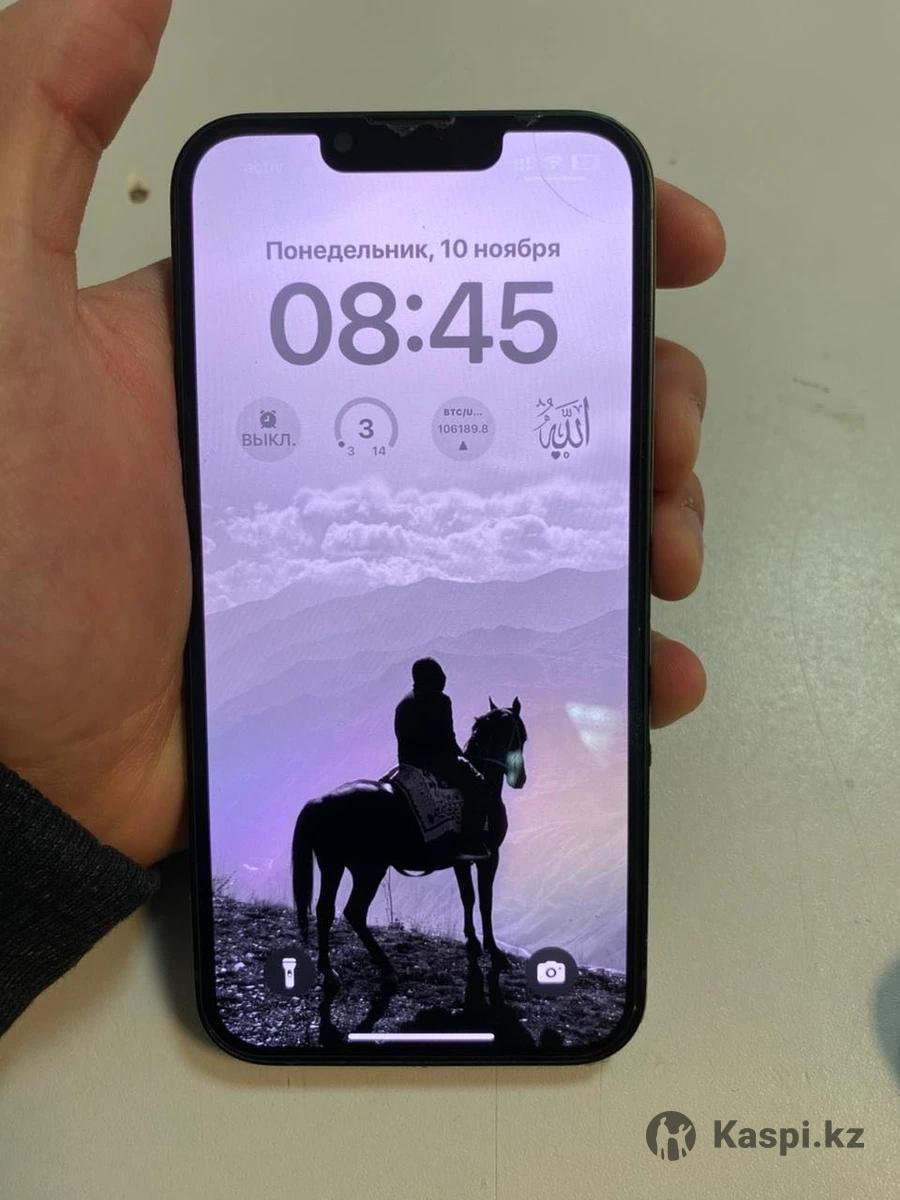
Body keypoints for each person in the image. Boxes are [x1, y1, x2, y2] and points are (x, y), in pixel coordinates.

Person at [0, 0, 723, 1036]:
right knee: (458, 814)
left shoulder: (434, 706)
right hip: (419, 777)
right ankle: (440, 912)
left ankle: (395, 936)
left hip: (392, 769)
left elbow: (431, 736)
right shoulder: (433, 714)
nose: (430, 684)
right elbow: (428, 748)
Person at [394, 658, 490, 860]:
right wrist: (464, 760)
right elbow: (448, 739)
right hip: (435, 762)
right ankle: (470, 841)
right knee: (477, 783)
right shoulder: (440, 701)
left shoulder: (403, 703)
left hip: (407, 762)